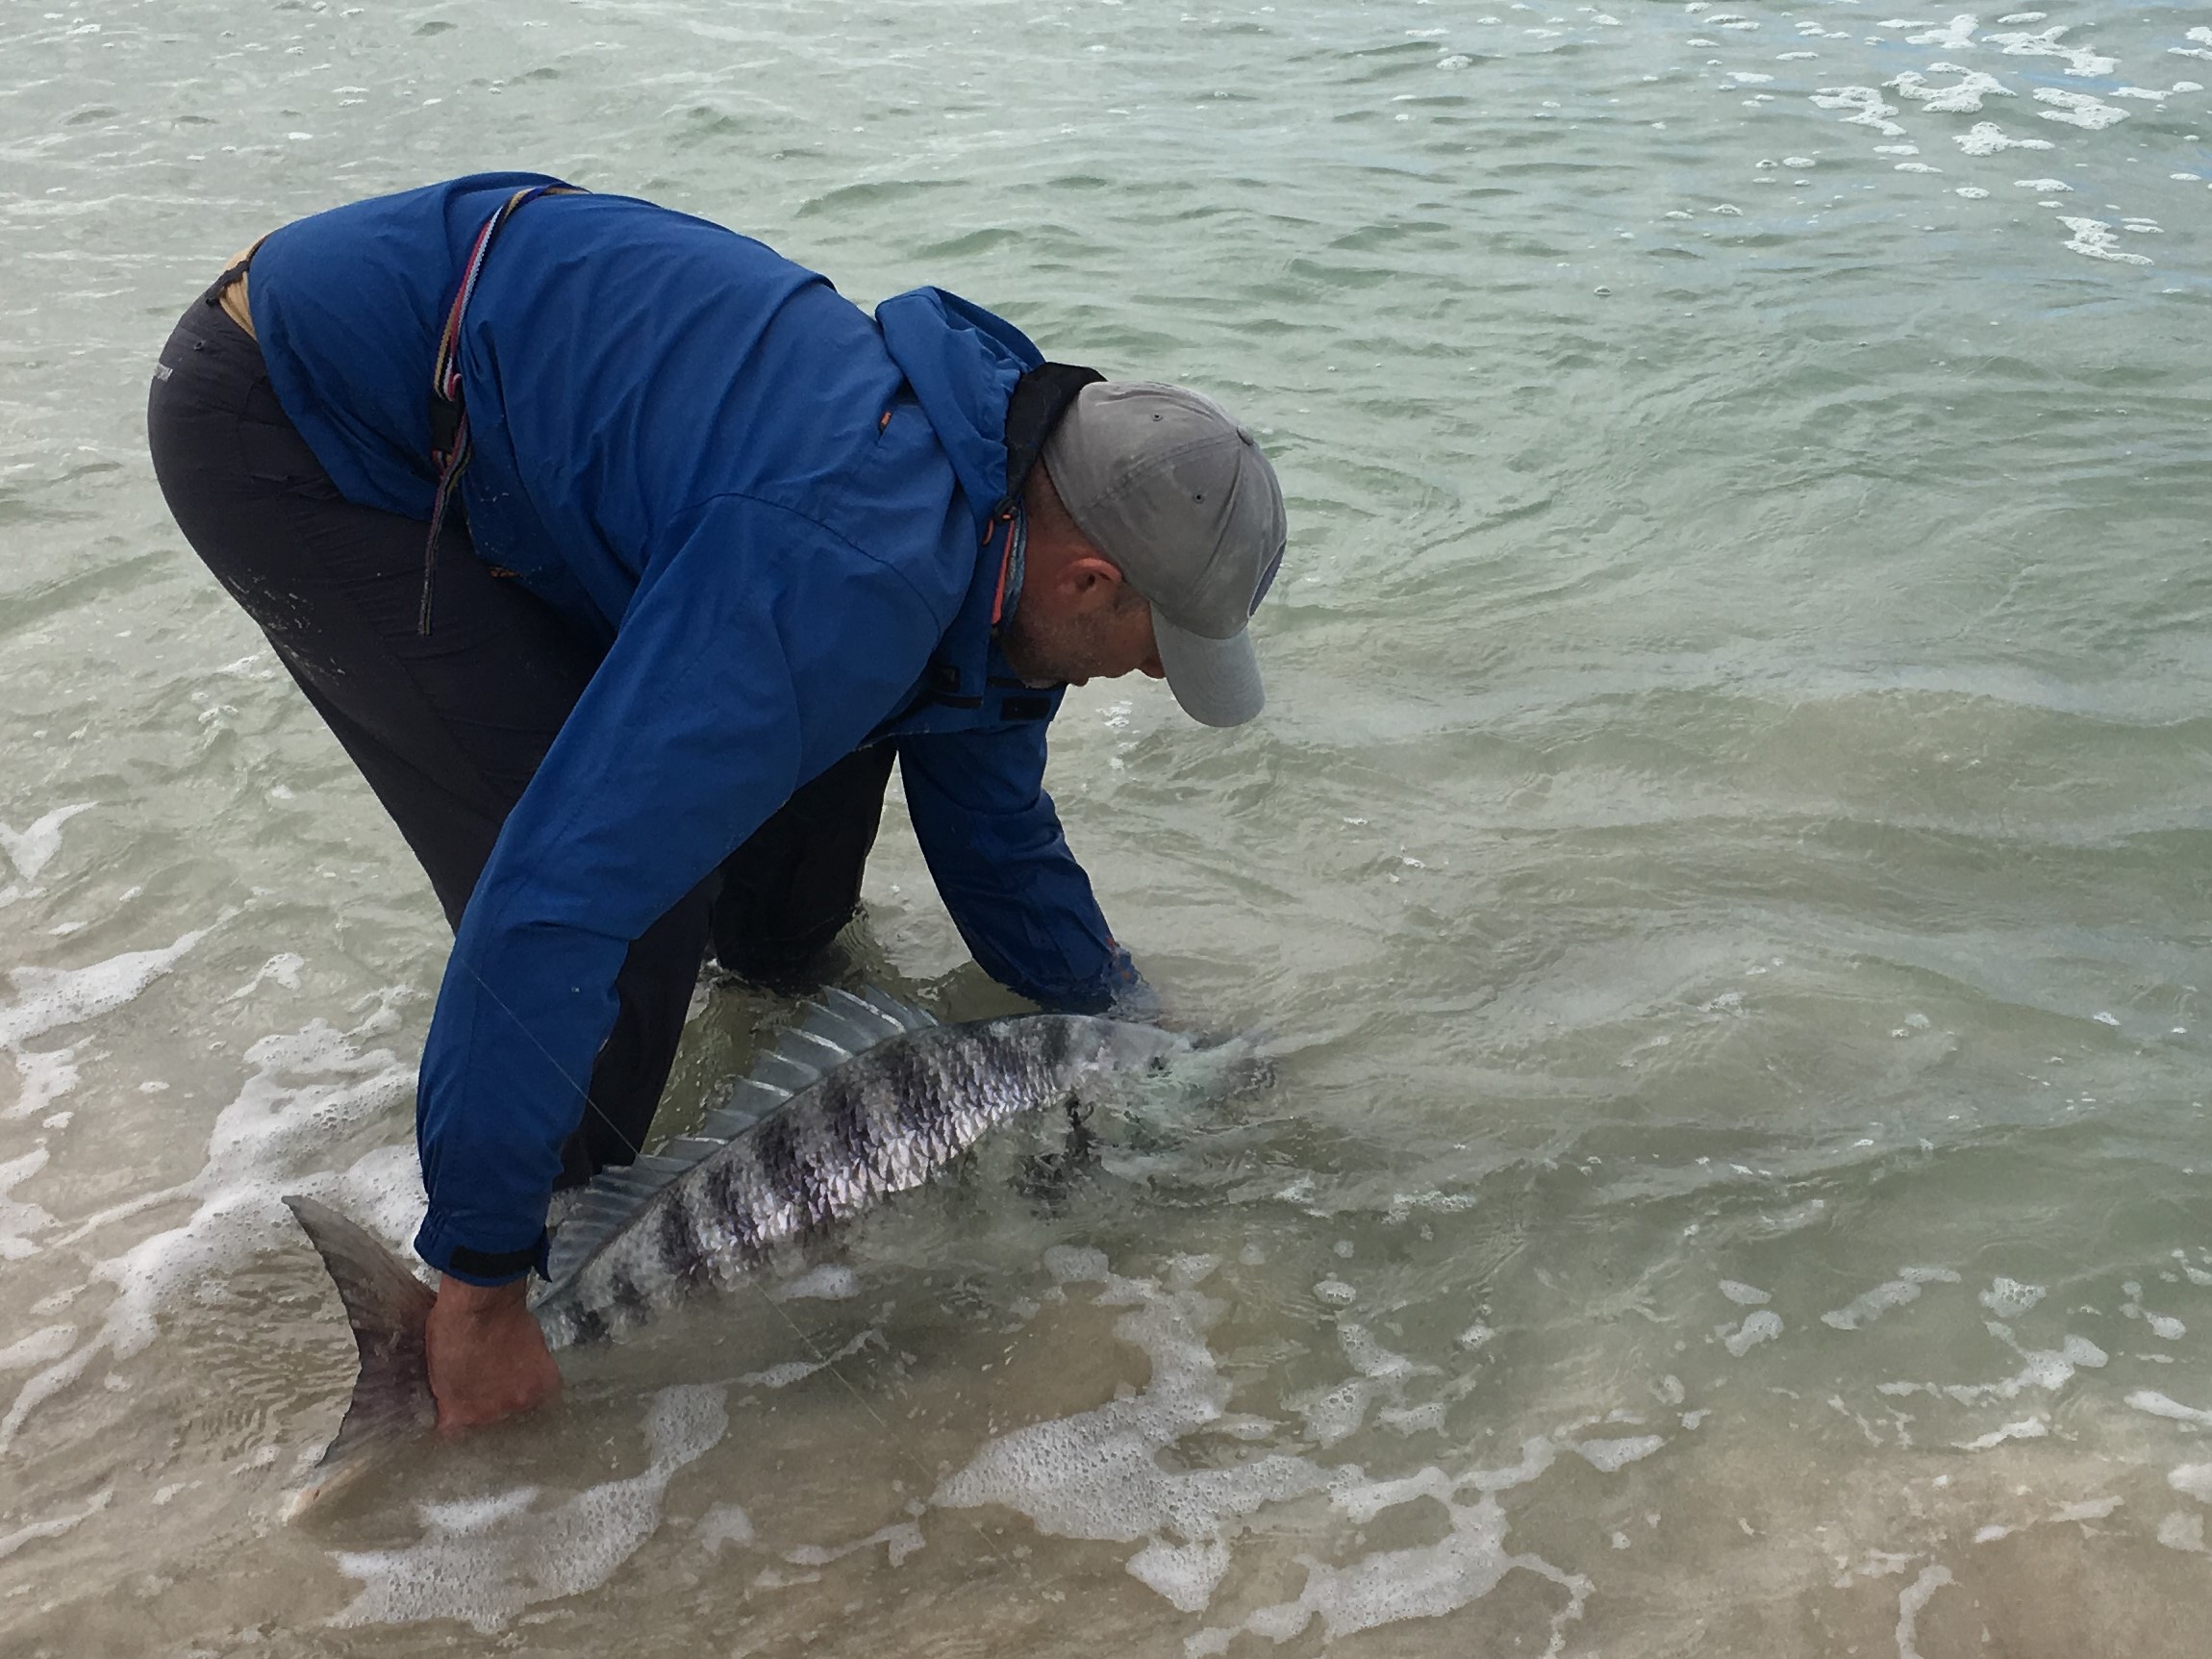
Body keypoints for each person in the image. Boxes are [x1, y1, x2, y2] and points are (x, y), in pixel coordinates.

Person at [145, 173, 1287, 1428]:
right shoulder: (853, 557)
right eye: (1154, 648)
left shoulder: (1002, 500)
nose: (1149, 676)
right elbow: (559, 895)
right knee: (633, 895)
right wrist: (479, 1283)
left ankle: (656, 1136)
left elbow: (995, 831)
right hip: (300, 422)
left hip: (519, 421)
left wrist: (1133, 1022)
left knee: (805, 841)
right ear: (1089, 579)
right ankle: (499, 1316)